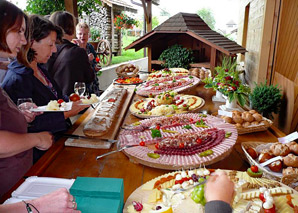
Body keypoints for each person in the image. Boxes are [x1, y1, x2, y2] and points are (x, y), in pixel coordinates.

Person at [1, 15, 88, 162]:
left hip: (60, 144)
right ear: (32, 43)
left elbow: (55, 101)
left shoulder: (41, 68)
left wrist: (73, 101)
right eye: (50, 44)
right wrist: (65, 114)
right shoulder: (17, 79)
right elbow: (25, 127)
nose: (54, 50)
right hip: (41, 157)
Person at [0, 0, 54, 197]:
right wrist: (37, 138)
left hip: (20, 183)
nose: (24, 41)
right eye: (19, 32)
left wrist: (18, 113)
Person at [46, 11, 95, 96]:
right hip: (72, 103)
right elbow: (90, 77)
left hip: (51, 104)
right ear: (72, 28)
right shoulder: (78, 52)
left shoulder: (44, 50)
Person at [74, 22, 101, 96]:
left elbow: (95, 62)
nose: (82, 36)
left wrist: (96, 67)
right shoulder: (74, 49)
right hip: (81, 85)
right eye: (80, 34)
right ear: (76, 35)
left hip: (93, 83)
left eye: (85, 34)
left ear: (88, 35)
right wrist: (86, 59)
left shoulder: (90, 47)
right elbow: (74, 67)